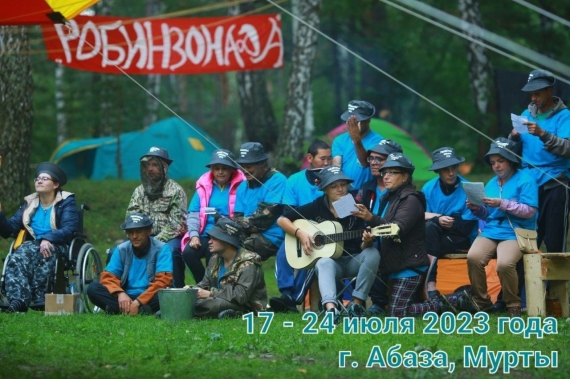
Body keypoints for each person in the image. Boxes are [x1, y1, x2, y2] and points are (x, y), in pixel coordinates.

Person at [355, 153, 477, 317]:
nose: (386, 177)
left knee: (398, 313)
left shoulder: (411, 199)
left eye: (392, 173)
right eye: (384, 173)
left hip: (409, 265)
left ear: (405, 176)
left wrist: (371, 218)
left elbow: (396, 229)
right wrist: (369, 235)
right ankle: (454, 300)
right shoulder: (387, 197)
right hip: (393, 262)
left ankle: (457, 300)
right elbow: (381, 227)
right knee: (400, 308)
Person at [277, 166, 381, 324]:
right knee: (323, 261)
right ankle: (331, 309)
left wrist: (367, 242)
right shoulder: (318, 205)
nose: (340, 189)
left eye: (343, 185)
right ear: (325, 189)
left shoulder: (354, 206)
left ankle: (356, 304)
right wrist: (300, 233)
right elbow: (282, 219)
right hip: (332, 265)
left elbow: (363, 248)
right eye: (334, 186)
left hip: (353, 260)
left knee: (373, 253)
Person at [466, 138, 538, 317]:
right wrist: (477, 209)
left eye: (501, 161)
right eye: (493, 163)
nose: (496, 166)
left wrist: (502, 203)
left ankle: (513, 304)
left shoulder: (526, 180)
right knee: (473, 257)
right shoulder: (491, 183)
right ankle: (482, 303)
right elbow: (488, 215)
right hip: (492, 230)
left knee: (504, 264)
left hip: (516, 231)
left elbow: (529, 211)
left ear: (511, 160)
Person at [0, 162, 79, 313]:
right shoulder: (29, 204)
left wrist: (48, 238)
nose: (39, 181)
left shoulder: (66, 202)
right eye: (37, 178)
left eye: (44, 178)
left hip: (59, 244)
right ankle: (18, 300)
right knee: (16, 256)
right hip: (33, 246)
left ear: (55, 184)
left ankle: (40, 296)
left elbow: (69, 229)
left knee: (45, 250)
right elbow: (9, 230)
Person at [511, 69, 570, 253]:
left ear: (549, 90)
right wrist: (513, 138)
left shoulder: (565, 116)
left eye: (537, 93)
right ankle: (528, 282)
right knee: (526, 242)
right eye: (531, 93)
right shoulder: (525, 114)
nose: (533, 97)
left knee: (554, 243)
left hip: (556, 184)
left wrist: (543, 134)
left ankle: (556, 283)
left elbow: (567, 149)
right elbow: (512, 152)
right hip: (528, 186)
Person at [270, 140, 332, 313]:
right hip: (299, 229)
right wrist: (300, 233)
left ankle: (294, 298)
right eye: (322, 159)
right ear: (310, 158)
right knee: (283, 252)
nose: (327, 163)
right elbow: (287, 212)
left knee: (313, 255)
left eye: (330, 159)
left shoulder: (336, 179)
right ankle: (286, 294)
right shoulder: (295, 180)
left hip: (325, 233)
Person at [180, 149, 245, 284]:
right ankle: (204, 284)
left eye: (224, 168)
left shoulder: (242, 186)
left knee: (214, 253)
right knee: (188, 253)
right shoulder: (203, 186)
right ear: (212, 170)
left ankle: (214, 288)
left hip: (226, 233)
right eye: (216, 168)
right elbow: (193, 213)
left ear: (232, 170)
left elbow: (242, 215)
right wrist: (194, 235)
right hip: (204, 233)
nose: (220, 172)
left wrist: (221, 218)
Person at [87, 213, 173, 315]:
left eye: (139, 232)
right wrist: (120, 293)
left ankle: (122, 309)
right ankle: (140, 311)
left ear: (148, 231)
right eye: (130, 232)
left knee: (168, 293)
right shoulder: (121, 249)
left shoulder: (162, 249)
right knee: (93, 289)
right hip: (125, 296)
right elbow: (108, 277)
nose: (134, 236)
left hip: (150, 295)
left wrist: (138, 302)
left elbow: (163, 281)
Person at [126, 147, 187, 287]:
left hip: (169, 238)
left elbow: (177, 224)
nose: (150, 169)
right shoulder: (139, 191)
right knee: (119, 251)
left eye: (154, 165)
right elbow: (130, 218)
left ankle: (177, 292)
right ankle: (126, 291)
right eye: (148, 165)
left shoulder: (176, 190)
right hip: (142, 237)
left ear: (164, 167)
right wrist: (143, 238)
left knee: (171, 252)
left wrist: (155, 242)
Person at [422, 147, 478, 299]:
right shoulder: (428, 188)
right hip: (434, 234)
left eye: (454, 167)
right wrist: (439, 219)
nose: (451, 173)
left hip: (462, 239)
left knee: (427, 239)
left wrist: (444, 222)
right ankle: (429, 286)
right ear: (438, 171)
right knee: (429, 229)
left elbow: (468, 226)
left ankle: (428, 285)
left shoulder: (469, 188)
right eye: (446, 169)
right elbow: (422, 217)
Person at [354, 139, 403, 315]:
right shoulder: (367, 188)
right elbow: (352, 215)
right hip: (367, 238)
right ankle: (339, 302)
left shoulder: (404, 192)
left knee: (376, 246)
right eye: (371, 159)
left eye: (379, 159)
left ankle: (378, 303)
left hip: (395, 239)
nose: (373, 163)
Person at [189, 218, 267, 319]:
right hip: (219, 299)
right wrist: (190, 291)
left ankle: (185, 311)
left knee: (212, 305)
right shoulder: (215, 259)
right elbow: (204, 285)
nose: (209, 242)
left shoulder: (249, 262)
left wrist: (210, 293)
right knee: (191, 300)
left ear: (227, 241)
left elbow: (240, 296)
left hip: (247, 307)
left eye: (214, 238)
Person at [232, 142, 287, 260]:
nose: (245, 171)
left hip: (272, 236)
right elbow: (237, 217)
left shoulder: (277, 180)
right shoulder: (242, 186)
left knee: (233, 251)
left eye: (249, 166)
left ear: (262, 163)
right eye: (242, 166)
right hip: (248, 233)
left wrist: (234, 223)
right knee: (219, 243)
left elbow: (263, 220)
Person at [332, 100, 384, 189]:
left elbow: (365, 163)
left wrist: (356, 140)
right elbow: (336, 167)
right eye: (349, 120)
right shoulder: (340, 140)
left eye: (356, 121)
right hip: (344, 192)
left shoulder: (378, 141)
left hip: (368, 192)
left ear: (368, 119)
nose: (352, 124)